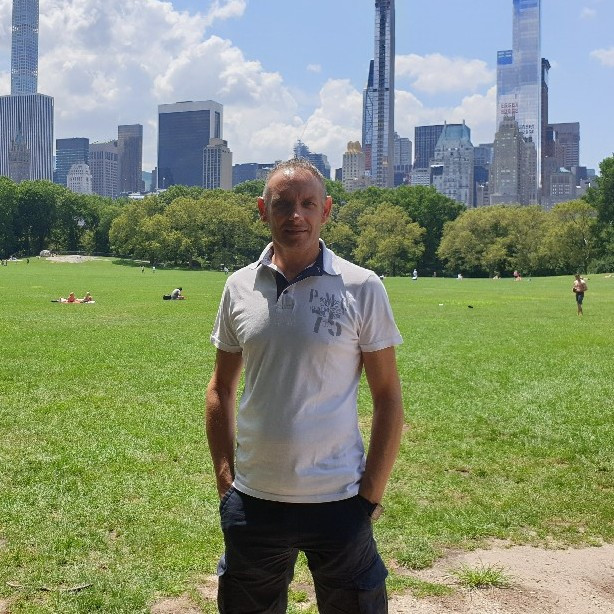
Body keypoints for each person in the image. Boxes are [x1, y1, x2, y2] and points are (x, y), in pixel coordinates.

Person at [206, 159, 404, 613]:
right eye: (283, 204)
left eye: (308, 204)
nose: (296, 215)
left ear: (326, 210)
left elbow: (388, 397)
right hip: (253, 501)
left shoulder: (362, 286)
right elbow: (220, 388)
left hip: (339, 501)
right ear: (263, 210)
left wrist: (370, 496)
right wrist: (226, 484)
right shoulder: (239, 286)